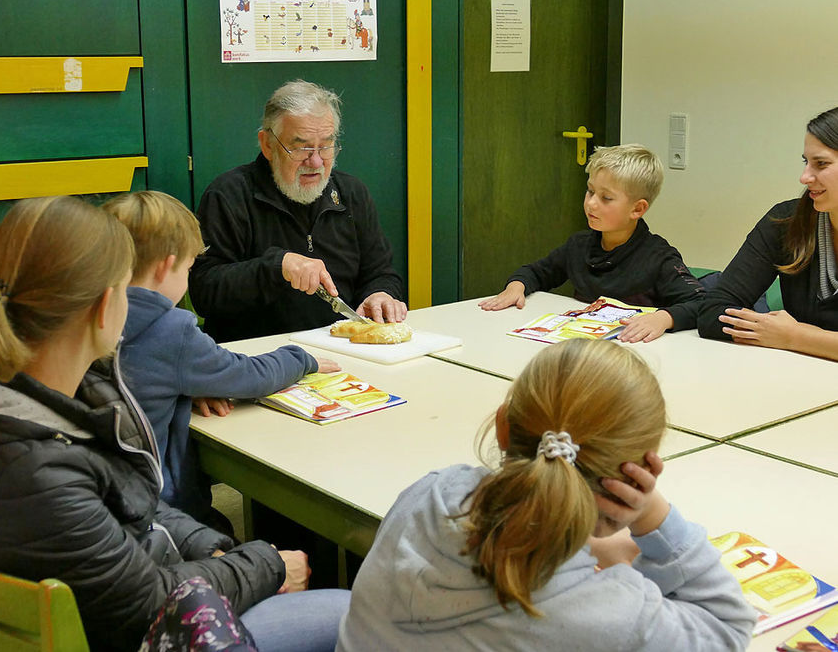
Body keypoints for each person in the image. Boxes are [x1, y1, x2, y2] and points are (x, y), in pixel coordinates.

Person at [0, 196, 349, 651]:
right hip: (130, 631)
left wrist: (216, 550)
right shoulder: (37, 472)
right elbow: (149, 601)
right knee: (353, 611)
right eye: (126, 290)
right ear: (106, 307)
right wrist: (266, 564)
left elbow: (128, 498)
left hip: (102, 588)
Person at [337, 339, 756, 651]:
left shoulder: (430, 492)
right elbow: (728, 629)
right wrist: (654, 516)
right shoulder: (616, 617)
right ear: (639, 474)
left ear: (503, 427)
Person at [103, 191, 339, 525]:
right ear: (166, 267)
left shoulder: (92, 315)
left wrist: (188, 385)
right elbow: (250, 376)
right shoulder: (169, 328)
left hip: (107, 497)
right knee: (222, 530)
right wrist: (300, 358)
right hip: (158, 507)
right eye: (188, 268)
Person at [189, 79, 406, 343]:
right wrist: (276, 267)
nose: (315, 161)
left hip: (342, 349)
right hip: (258, 358)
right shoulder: (229, 195)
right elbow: (204, 292)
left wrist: (381, 294)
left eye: (326, 146)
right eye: (302, 147)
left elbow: (381, 272)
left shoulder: (351, 193)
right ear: (268, 144)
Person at [479, 144, 704, 343]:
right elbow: (537, 272)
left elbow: (701, 303)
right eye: (590, 191)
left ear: (637, 209)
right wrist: (516, 286)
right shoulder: (580, 245)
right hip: (582, 346)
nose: (591, 204)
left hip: (633, 355)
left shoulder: (659, 257)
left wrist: (663, 319)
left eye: (606, 198)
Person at [697, 107, 838, 359]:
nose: (804, 177)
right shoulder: (786, 221)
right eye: (806, 162)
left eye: (821, 164)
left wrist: (795, 336)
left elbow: (791, 336)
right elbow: (713, 312)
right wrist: (773, 332)